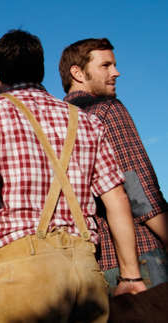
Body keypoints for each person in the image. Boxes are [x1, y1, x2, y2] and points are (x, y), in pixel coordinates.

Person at [0, 29, 146, 323]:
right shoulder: (86, 121)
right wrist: (131, 276)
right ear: (41, 70)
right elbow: (117, 198)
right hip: (85, 271)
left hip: (22, 273)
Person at [59, 38, 168, 291]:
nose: (116, 72)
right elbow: (138, 187)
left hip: (90, 266)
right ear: (77, 72)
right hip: (141, 257)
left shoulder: (57, 122)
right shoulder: (107, 109)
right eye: (105, 65)